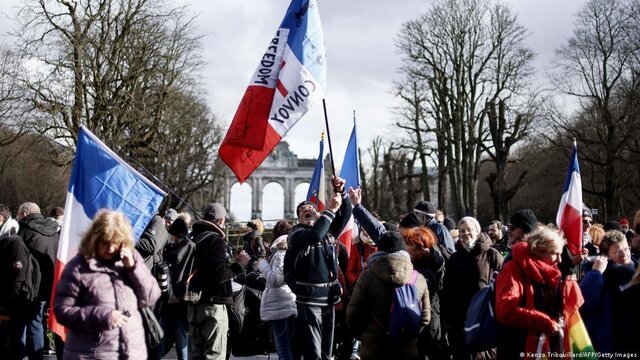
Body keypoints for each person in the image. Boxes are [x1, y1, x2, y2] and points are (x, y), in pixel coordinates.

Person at [53, 210, 161, 359]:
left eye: (115, 242)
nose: (110, 249)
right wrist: (103, 316)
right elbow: (62, 310)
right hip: (92, 354)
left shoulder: (131, 259)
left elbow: (150, 297)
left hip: (132, 352)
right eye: (105, 242)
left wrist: (133, 268)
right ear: (94, 239)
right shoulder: (78, 267)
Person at [285, 175, 352, 360]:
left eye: (311, 208)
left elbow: (345, 215)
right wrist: (329, 210)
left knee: (326, 353)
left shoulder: (328, 232)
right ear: (298, 218)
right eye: (303, 210)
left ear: (318, 214)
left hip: (329, 300)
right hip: (309, 301)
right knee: (313, 353)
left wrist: (340, 192)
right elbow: (314, 236)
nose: (307, 209)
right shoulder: (296, 234)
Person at [495, 226, 583, 360]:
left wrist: (570, 288)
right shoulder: (513, 268)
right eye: (555, 253)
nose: (559, 260)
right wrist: (544, 322)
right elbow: (506, 310)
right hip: (518, 346)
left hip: (546, 346)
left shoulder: (551, 272)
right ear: (538, 251)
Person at [346, 231, 430, 360]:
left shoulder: (367, 277)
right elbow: (425, 317)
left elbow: (353, 313)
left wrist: (363, 336)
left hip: (374, 347)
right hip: (406, 347)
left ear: (379, 250)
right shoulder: (418, 278)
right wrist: (410, 335)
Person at [188, 203, 250, 360]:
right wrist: (240, 265)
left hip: (193, 303)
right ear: (221, 221)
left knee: (195, 354)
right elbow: (220, 274)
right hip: (213, 304)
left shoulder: (194, 238)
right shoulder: (216, 240)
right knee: (214, 354)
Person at [441, 216, 503, 360]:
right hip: (461, 319)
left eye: (469, 229)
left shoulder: (492, 255)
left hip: (485, 316)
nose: (465, 233)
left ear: (478, 231)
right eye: (462, 230)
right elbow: (448, 289)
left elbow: (502, 285)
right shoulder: (455, 258)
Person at [580, 230, 636, 354]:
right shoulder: (598, 275)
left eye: (626, 249)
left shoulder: (635, 270)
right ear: (606, 255)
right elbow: (585, 304)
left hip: (629, 341)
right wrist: (596, 273)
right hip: (607, 342)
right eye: (618, 252)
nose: (625, 255)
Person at [17, 202, 59, 360]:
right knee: (37, 323)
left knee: (19, 325)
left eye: (19, 215)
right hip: (48, 284)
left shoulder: (25, 231)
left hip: (27, 286)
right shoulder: (54, 232)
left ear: (25, 214)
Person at [400, 226, 446, 359]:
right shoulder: (411, 260)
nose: (405, 249)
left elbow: (427, 287)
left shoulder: (435, 263)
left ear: (420, 248)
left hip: (429, 316)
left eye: (409, 245)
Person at [257, 219, 296, 360]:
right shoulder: (292, 247)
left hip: (281, 305)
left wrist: (261, 263)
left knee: (283, 349)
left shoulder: (281, 250)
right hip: (289, 303)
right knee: (291, 349)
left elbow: (275, 280)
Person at [157, 215, 192, 360]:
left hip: (166, 298)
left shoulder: (168, 249)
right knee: (181, 339)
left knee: (161, 336)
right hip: (181, 299)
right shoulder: (191, 247)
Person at [0, 233, 32, 359]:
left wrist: (8, 308)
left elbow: (18, 278)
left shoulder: (15, 243)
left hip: (13, 300)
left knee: (13, 339)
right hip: (13, 298)